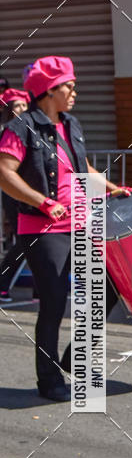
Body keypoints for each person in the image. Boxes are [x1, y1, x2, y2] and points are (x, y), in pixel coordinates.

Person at [0, 56, 132, 401]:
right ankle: (49, 380)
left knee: (110, 286)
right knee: (55, 301)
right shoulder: (21, 127)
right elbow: (5, 172)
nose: (74, 92)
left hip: (82, 221)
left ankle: (75, 356)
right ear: (48, 90)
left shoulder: (70, 123)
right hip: (43, 229)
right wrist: (43, 201)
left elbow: (80, 165)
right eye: (68, 86)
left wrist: (110, 187)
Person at [0, 89, 30, 301]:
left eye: (24, 105)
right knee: (25, 240)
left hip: (33, 192)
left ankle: (42, 290)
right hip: (13, 193)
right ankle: (2, 283)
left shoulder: (30, 129)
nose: (21, 109)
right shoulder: (6, 132)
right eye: (16, 106)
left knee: (34, 241)